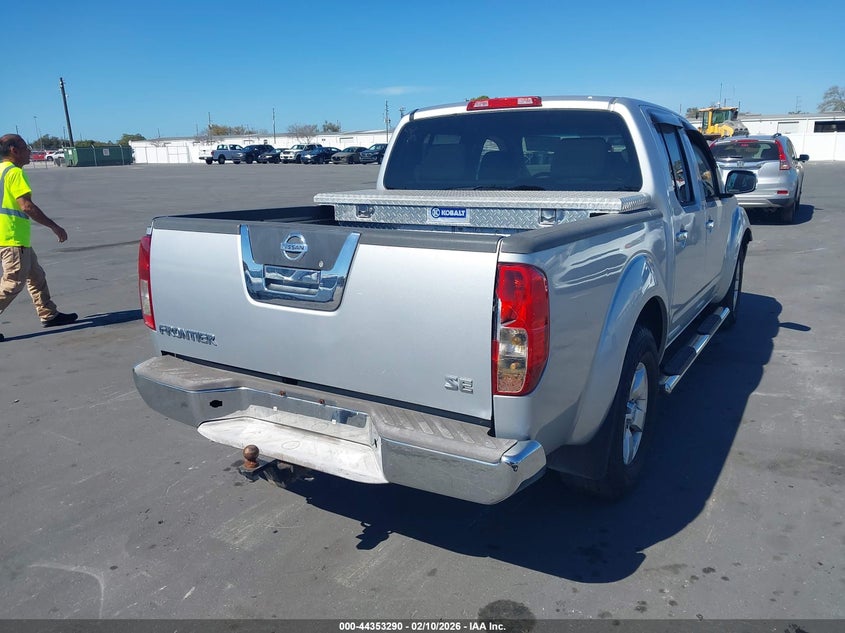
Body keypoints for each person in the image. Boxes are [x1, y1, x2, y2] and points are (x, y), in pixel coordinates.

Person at [0, 134, 77, 342]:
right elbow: (26, 206)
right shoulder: (14, 173)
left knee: (36, 275)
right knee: (13, 282)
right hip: (12, 236)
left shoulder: (0, 171)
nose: (29, 151)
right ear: (14, 150)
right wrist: (54, 226)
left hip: (9, 236)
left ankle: (49, 314)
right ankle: (48, 313)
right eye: (25, 147)